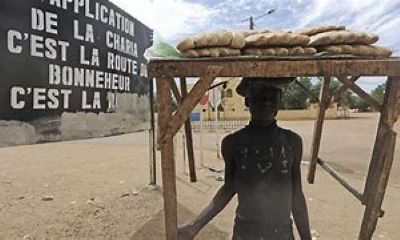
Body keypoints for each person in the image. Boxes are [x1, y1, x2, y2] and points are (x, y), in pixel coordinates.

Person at [178, 77, 312, 240]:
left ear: (279, 101)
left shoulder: (292, 142)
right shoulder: (233, 143)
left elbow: (296, 195)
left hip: (282, 234)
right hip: (245, 233)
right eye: (260, 96)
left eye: (272, 96)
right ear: (248, 101)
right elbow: (229, 188)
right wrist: (194, 226)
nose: (266, 102)